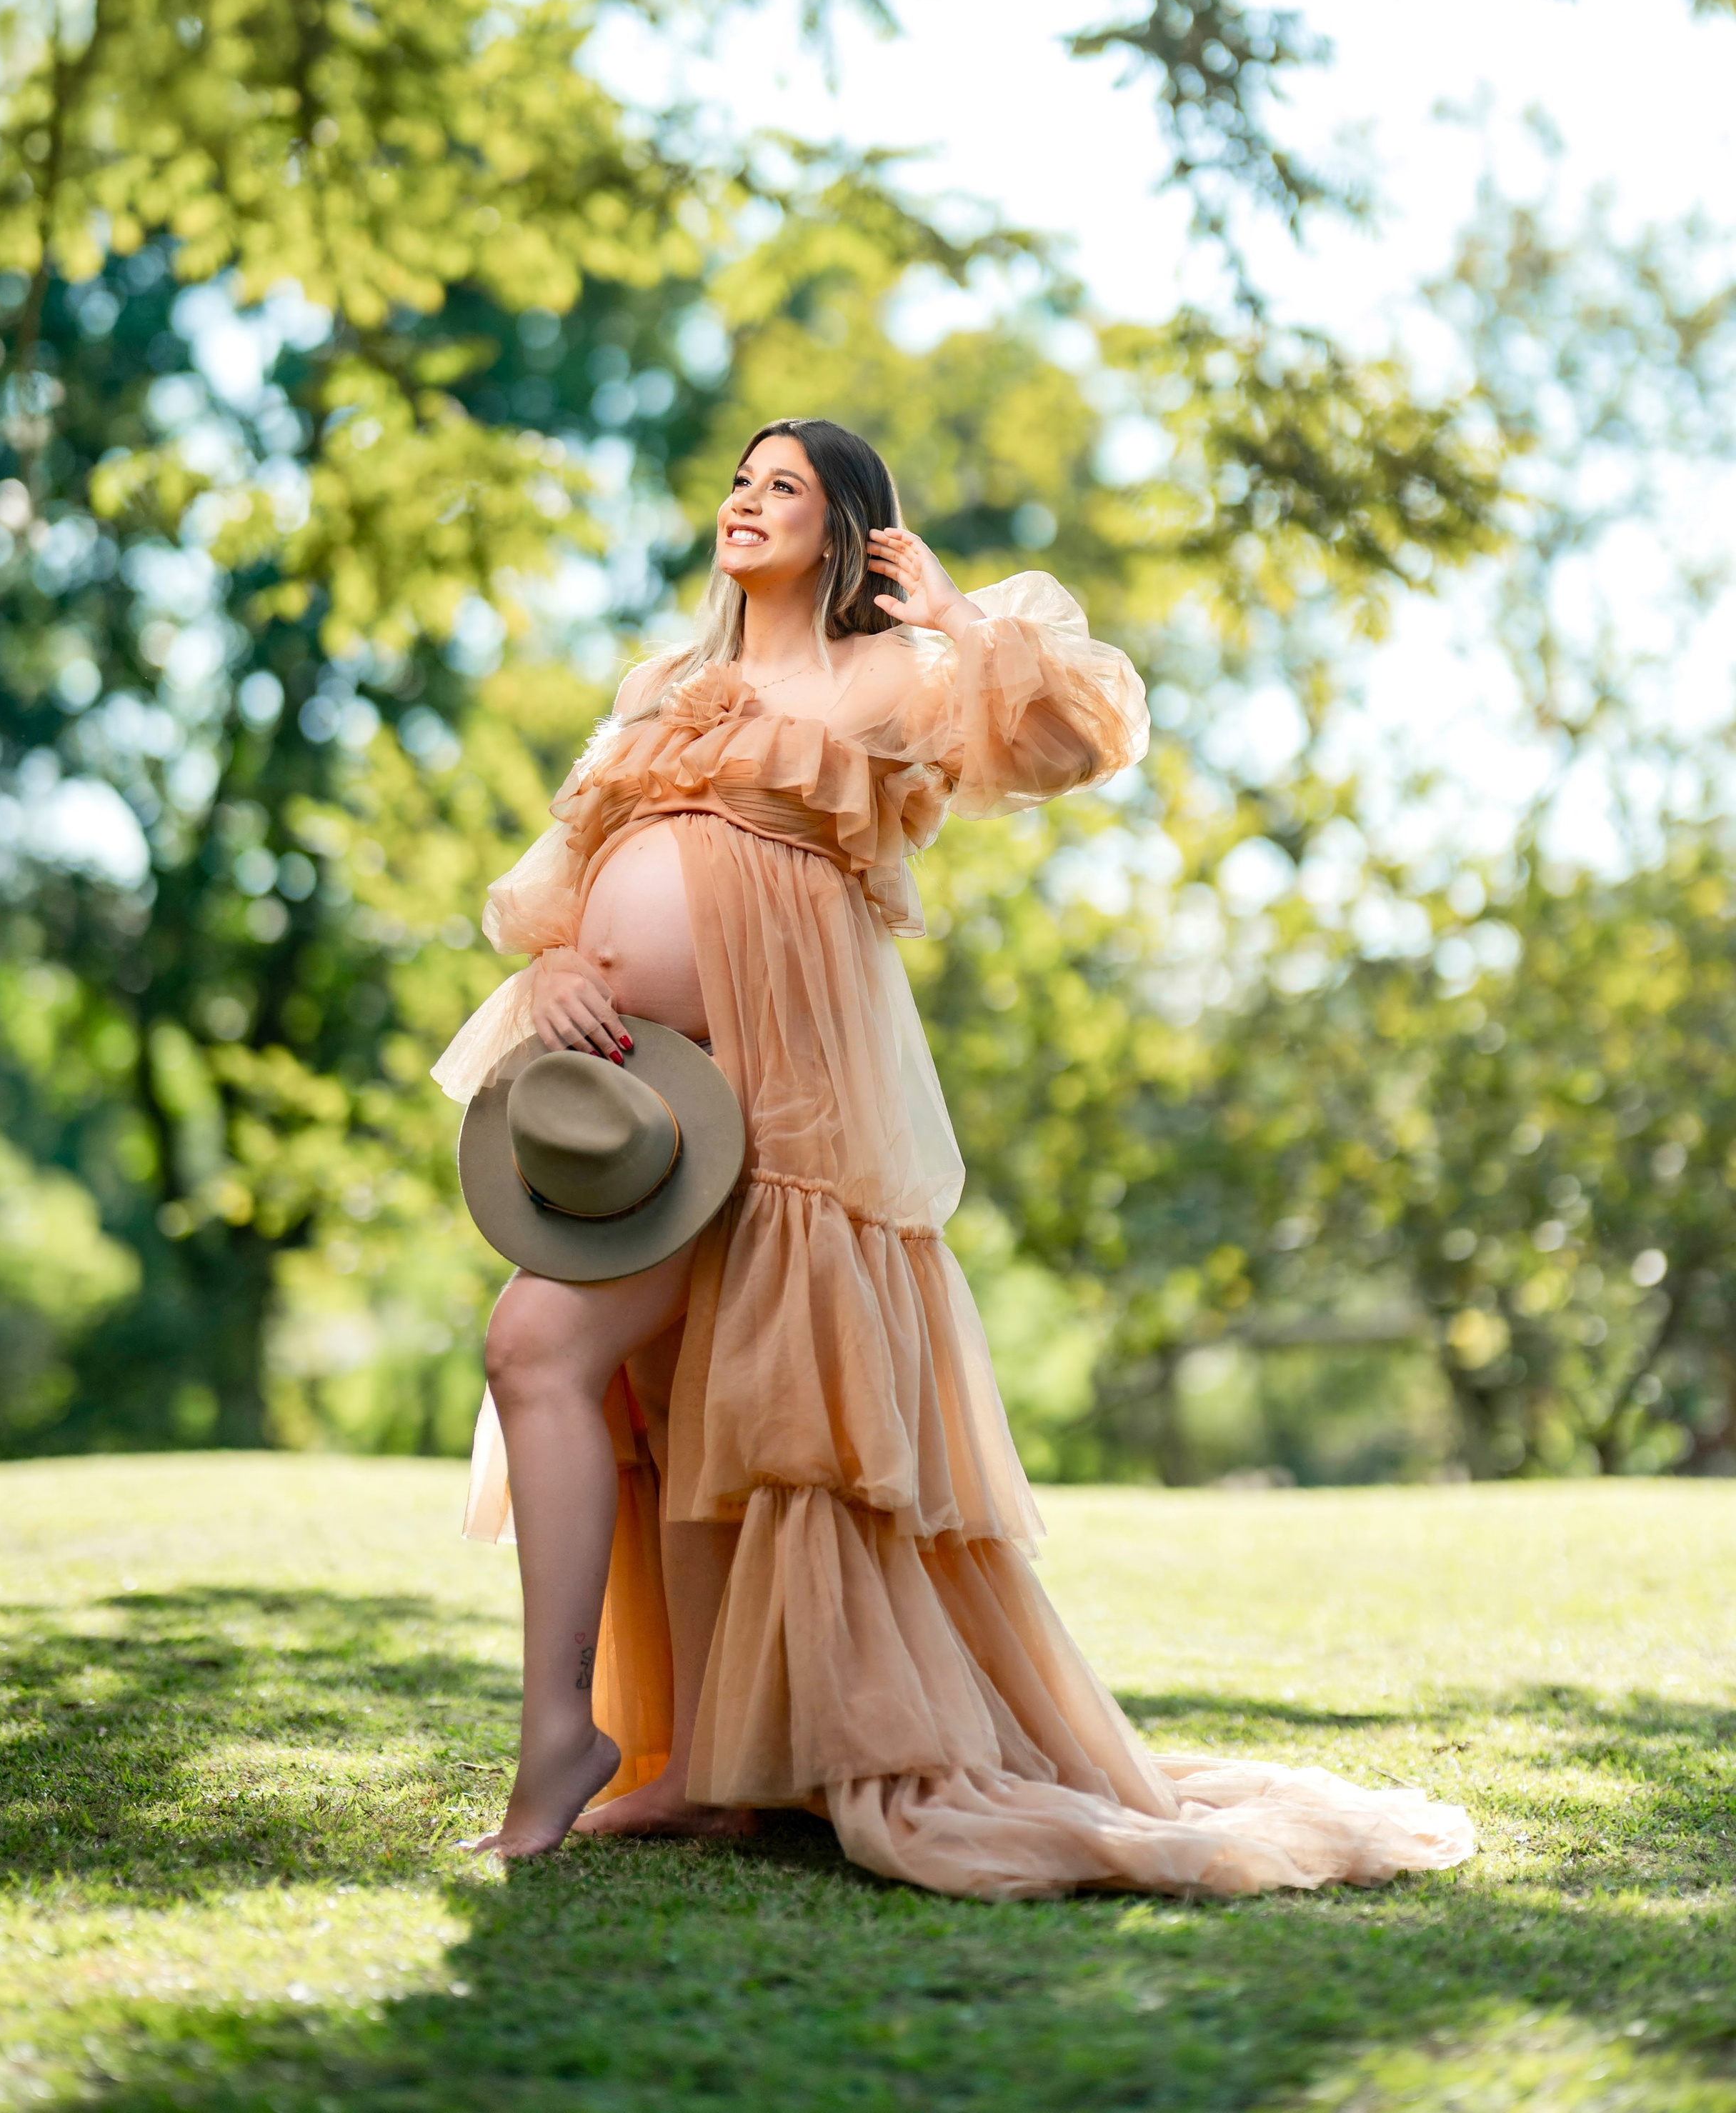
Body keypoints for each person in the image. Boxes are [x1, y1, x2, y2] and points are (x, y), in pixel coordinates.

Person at [431, 417, 1475, 1901]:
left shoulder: (883, 676)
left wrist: (960, 621)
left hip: (783, 1105)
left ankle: (579, 1742)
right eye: (737, 479)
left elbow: (1072, 742)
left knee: (635, 1372)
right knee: (639, 1394)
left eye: (781, 487)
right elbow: (557, 887)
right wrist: (549, 981)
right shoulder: (660, 690)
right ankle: (675, 1751)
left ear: (845, 526)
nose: (744, 502)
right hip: (643, 1099)